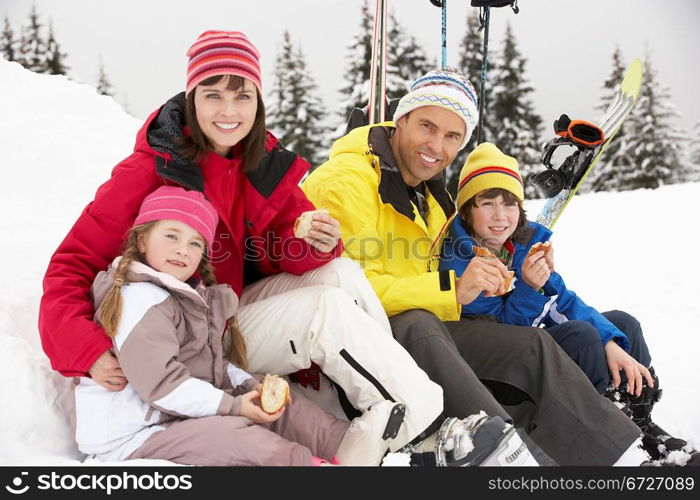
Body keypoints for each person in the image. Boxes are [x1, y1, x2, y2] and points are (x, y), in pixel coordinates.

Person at [39, 31, 531, 466]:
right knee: (324, 308)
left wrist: (314, 242)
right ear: (192, 101)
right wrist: (84, 349)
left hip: (224, 316)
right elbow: (70, 265)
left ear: (258, 102)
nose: (228, 112)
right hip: (182, 336)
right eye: (213, 96)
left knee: (340, 274)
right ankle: (420, 429)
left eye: (242, 96)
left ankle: (390, 412)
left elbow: (287, 253)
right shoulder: (152, 170)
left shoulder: (260, 164)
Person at [302, 67, 655, 466]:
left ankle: (627, 450)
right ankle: (510, 453)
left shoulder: (431, 199)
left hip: (429, 320)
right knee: (524, 342)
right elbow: (349, 287)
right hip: (374, 337)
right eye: (427, 127)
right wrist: (454, 289)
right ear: (400, 120)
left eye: (452, 136)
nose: (437, 145)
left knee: (566, 339)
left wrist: (509, 282)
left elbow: (559, 297)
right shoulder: (347, 181)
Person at [439, 141, 690, 460]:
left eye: (510, 204)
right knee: (582, 338)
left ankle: (639, 420)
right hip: (503, 372)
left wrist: (610, 340)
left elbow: (563, 300)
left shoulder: (519, 244)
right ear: (468, 210)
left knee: (623, 324)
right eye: (488, 203)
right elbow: (507, 339)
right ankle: (609, 428)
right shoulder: (459, 261)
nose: (501, 216)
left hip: (533, 344)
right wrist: (529, 289)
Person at [77, 186, 353, 465]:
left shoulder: (187, 298)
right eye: (172, 235)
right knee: (234, 437)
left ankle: (343, 442)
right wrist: (234, 406)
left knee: (267, 393)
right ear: (142, 241)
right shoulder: (138, 299)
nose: (183, 250)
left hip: (174, 415)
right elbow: (162, 385)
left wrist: (245, 385)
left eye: (196, 243)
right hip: (134, 433)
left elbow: (208, 366)